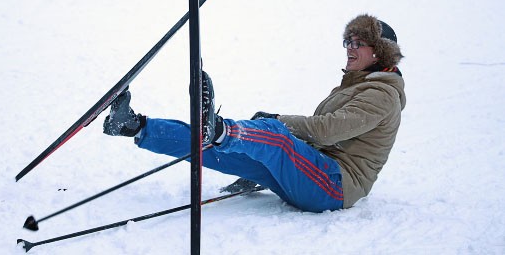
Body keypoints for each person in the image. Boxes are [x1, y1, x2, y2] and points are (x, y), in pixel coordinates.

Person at [103, 14, 405, 212]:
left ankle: (222, 130)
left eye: (358, 43)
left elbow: (329, 131)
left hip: (336, 186)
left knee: (272, 135)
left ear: (380, 51)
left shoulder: (382, 94)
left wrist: (276, 122)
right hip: (314, 174)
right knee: (217, 148)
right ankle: (135, 127)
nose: (349, 48)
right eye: (348, 42)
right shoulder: (356, 86)